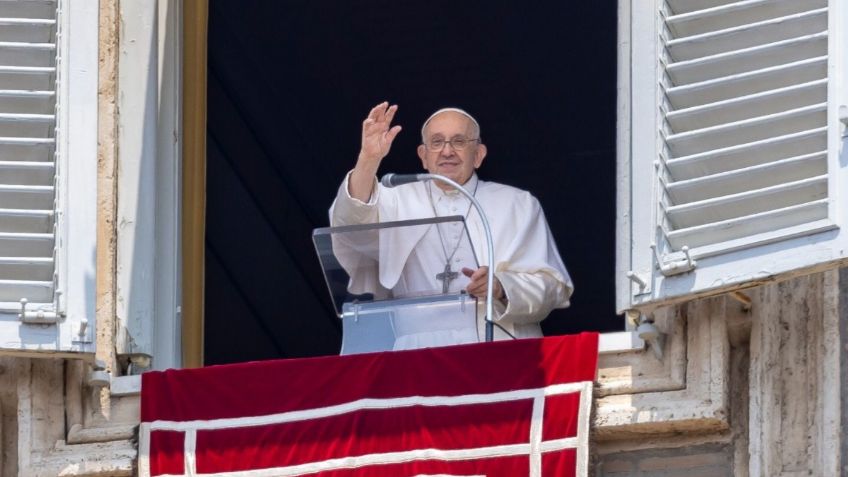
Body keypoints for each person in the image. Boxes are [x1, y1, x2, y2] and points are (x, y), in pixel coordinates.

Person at [330, 101, 572, 347]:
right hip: (416, 350)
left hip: (497, 342)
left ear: (478, 155)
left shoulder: (517, 204)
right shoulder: (394, 198)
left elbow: (551, 287)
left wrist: (501, 287)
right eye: (436, 142)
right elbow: (350, 227)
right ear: (423, 156)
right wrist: (368, 160)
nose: (447, 151)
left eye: (459, 141)